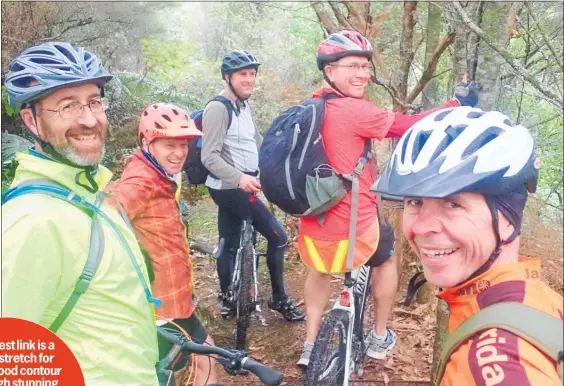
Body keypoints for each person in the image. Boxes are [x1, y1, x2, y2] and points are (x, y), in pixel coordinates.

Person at [297, 30, 478, 367]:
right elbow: (408, 125)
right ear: (329, 71)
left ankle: (310, 343)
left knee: (319, 270)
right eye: (352, 66)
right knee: (386, 256)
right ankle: (379, 337)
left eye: (365, 67)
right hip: (353, 224)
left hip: (313, 220)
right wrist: (457, 104)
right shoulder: (354, 110)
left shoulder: (312, 106)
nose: (362, 74)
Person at [2, 42, 159, 385]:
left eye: (93, 101)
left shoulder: (82, 196)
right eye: (67, 106)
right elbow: (12, 362)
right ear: (32, 120)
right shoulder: (34, 221)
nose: (89, 119)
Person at [371, 106, 563, 385]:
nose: (421, 227)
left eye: (453, 204)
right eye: (415, 202)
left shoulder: (495, 363)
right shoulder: (535, 299)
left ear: (507, 219)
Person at [105, 103, 218, 386]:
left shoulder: (157, 174)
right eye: (170, 144)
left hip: (173, 300)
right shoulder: (143, 181)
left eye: (184, 145)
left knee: (167, 370)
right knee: (204, 358)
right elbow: (104, 217)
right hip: (162, 306)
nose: (179, 153)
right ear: (147, 142)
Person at [201, 50, 305, 322]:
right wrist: (240, 178)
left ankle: (227, 298)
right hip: (229, 186)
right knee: (278, 237)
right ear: (227, 77)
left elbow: (255, 142)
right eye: (242, 74)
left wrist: (281, 165)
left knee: (229, 241)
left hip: (243, 183)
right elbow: (209, 155)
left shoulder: (244, 106)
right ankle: (280, 299)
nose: (249, 79)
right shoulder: (217, 109)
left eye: (252, 74)